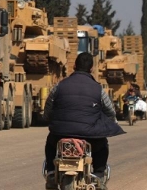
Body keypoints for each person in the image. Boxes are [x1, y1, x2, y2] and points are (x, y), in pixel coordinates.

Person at [43, 52, 125, 189]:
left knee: (51, 143)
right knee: (102, 145)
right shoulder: (98, 89)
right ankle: (99, 175)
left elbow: (48, 108)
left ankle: (51, 173)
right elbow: (110, 111)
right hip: (90, 136)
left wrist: (48, 119)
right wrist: (112, 122)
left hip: (60, 134)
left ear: (74, 66)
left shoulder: (59, 86)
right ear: (91, 69)